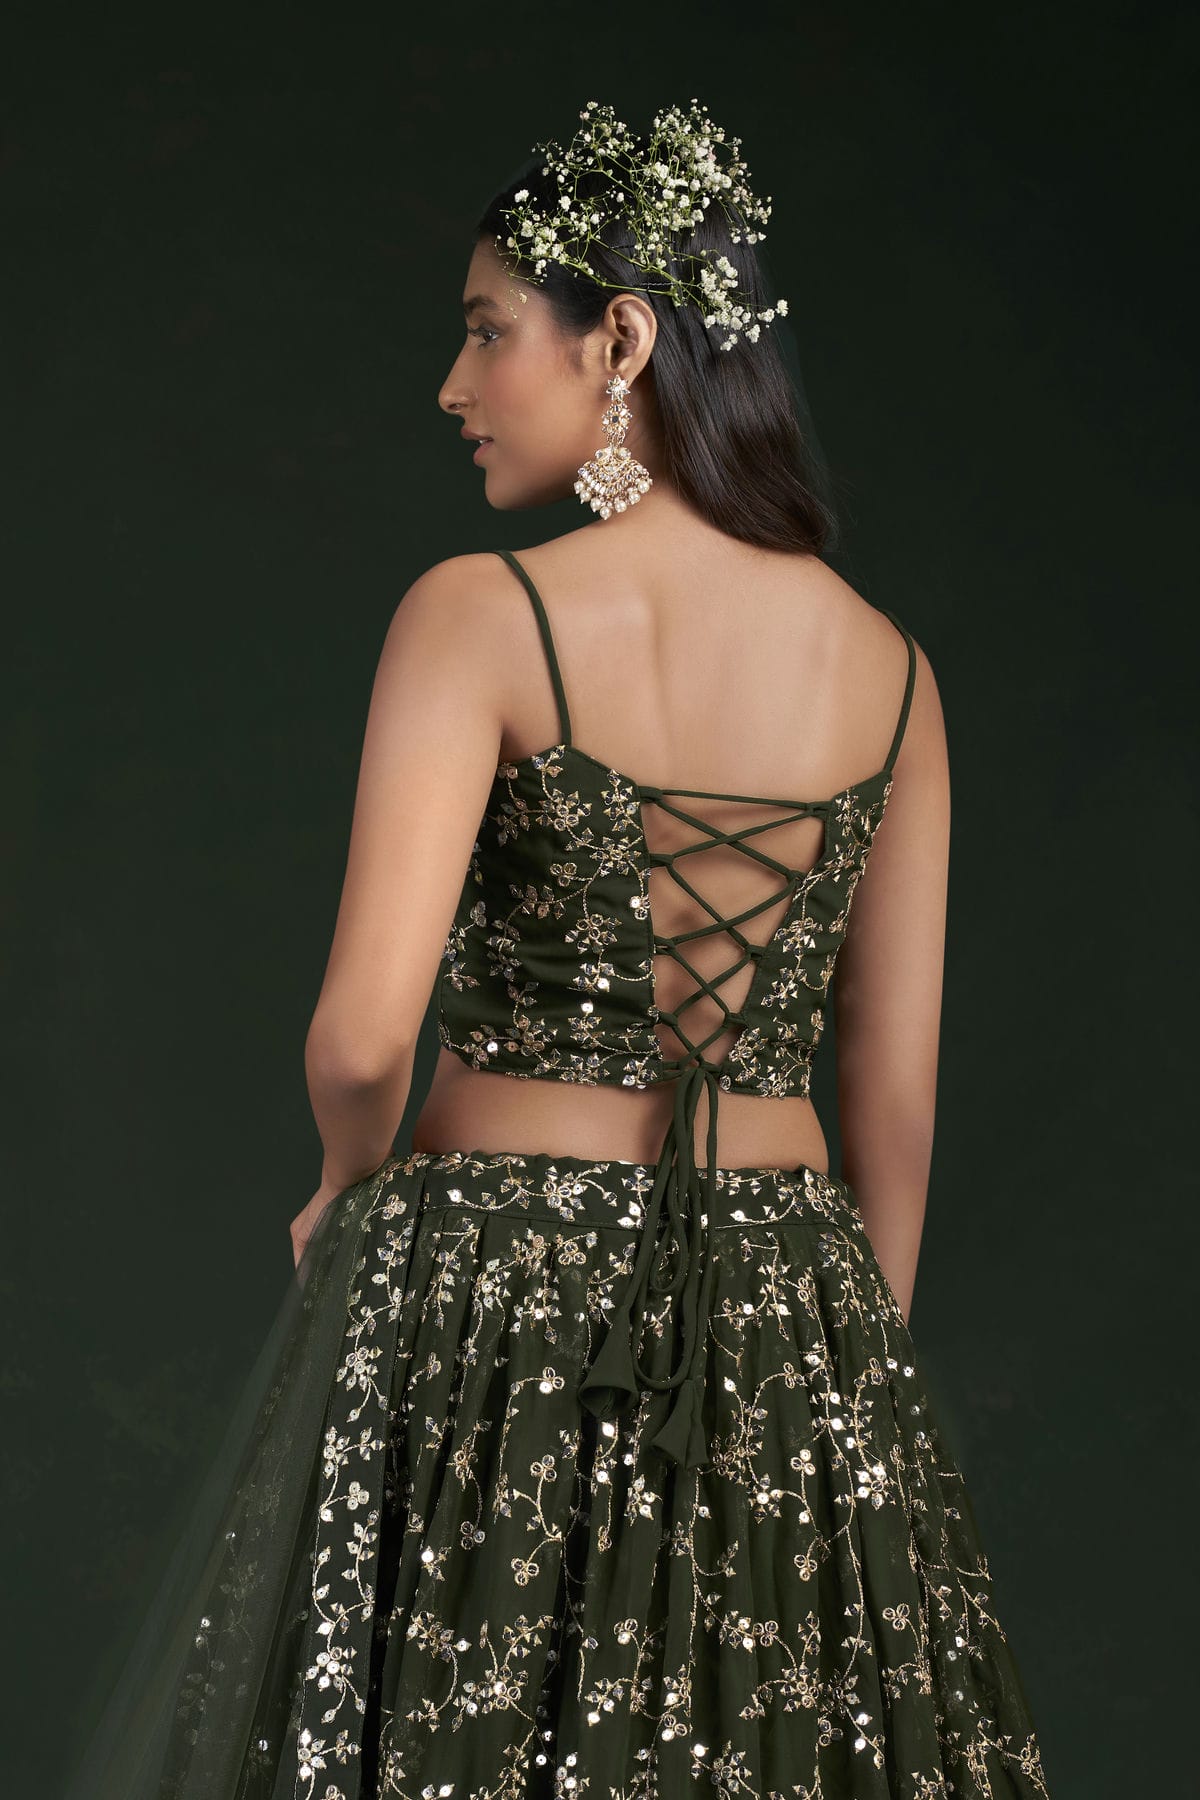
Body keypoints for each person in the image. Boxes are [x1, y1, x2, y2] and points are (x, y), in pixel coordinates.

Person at [64, 100, 1054, 1799]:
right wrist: (842, 1377)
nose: (452, 386)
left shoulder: (484, 613)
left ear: (623, 341)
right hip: (786, 1298)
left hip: (500, 1288)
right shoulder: (896, 675)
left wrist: (344, 1177)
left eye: (485, 331)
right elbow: (892, 1096)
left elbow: (362, 1037)